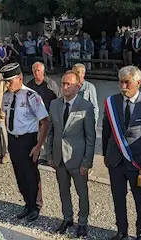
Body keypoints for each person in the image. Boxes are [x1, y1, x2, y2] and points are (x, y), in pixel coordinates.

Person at [102, 66, 141, 240]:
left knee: (140, 200)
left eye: (127, 82)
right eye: (120, 82)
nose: (123, 86)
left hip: (139, 164)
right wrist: (105, 156)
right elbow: (106, 131)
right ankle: (121, 231)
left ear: (138, 82)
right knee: (118, 198)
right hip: (115, 161)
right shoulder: (111, 102)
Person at [46, 70, 96, 238]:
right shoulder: (54, 104)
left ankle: (82, 222)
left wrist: (86, 162)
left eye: (69, 84)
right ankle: (67, 218)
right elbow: (51, 132)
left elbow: (91, 137)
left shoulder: (86, 107)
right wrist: (50, 155)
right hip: (59, 157)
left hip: (78, 159)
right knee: (63, 191)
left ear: (78, 86)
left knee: (82, 192)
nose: (65, 87)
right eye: (63, 84)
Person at [1, 62, 49, 222]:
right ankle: (27, 203)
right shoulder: (7, 96)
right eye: (5, 81)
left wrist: (38, 145)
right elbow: (6, 116)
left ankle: (36, 205)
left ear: (20, 78)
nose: (7, 84)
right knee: (19, 174)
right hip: (13, 140)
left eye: (10, 81)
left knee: (31, 174)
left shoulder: (32, 96)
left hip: (28, 140)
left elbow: (44, 122)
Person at [27, 62, 60, 163]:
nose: (37, 73)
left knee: (48, 136)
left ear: (43, 71)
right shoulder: (29, 84)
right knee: (36, 135)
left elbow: (58, 99)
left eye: (39, 70)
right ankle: (36, 151)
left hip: (47, 114)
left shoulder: (51, 84)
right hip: (34, 116)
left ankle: (46, 156)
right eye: (35, 70)